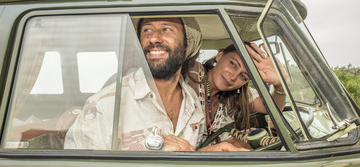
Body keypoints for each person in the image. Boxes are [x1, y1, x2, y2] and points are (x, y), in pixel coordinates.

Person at [64, 17, 248, 151]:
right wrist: (153, 150)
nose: (154, 38)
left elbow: (185, 154)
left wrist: (206, 154)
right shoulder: (105, 106)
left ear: (186, 44)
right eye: (147, 31)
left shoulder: (192, 104)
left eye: (166, 29)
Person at [185, 43, 288, 148]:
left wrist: (280, 85)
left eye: (243, 77)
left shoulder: (235, 95)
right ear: (220, 55)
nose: (234, 77)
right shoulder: (189, 73)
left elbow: (270, 108)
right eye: (233, 64)